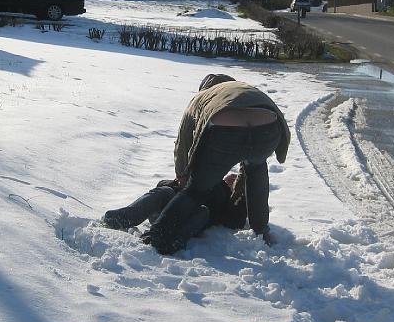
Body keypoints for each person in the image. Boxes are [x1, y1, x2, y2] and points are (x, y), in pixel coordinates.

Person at [144, 74, 290, 255]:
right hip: (269, 128)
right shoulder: (243, 88)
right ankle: (261, 230)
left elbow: (183, 144)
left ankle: (157, 233)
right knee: (257, 170)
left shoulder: (201, 98)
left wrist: (182, 176)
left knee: (196, 189)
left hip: (226, 129)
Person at [101, 172, 246, 240]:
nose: (231, 178)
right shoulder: (202, 177)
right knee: (164, 191)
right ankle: (124, 218)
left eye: (235, 180)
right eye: (230, 176)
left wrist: (240, 196)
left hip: (186, 220)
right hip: (166, 210)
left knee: (203, 211)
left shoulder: (227, 200)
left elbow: (235, 221)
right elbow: (161, 184)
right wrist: (177, 182)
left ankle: (174, 239)